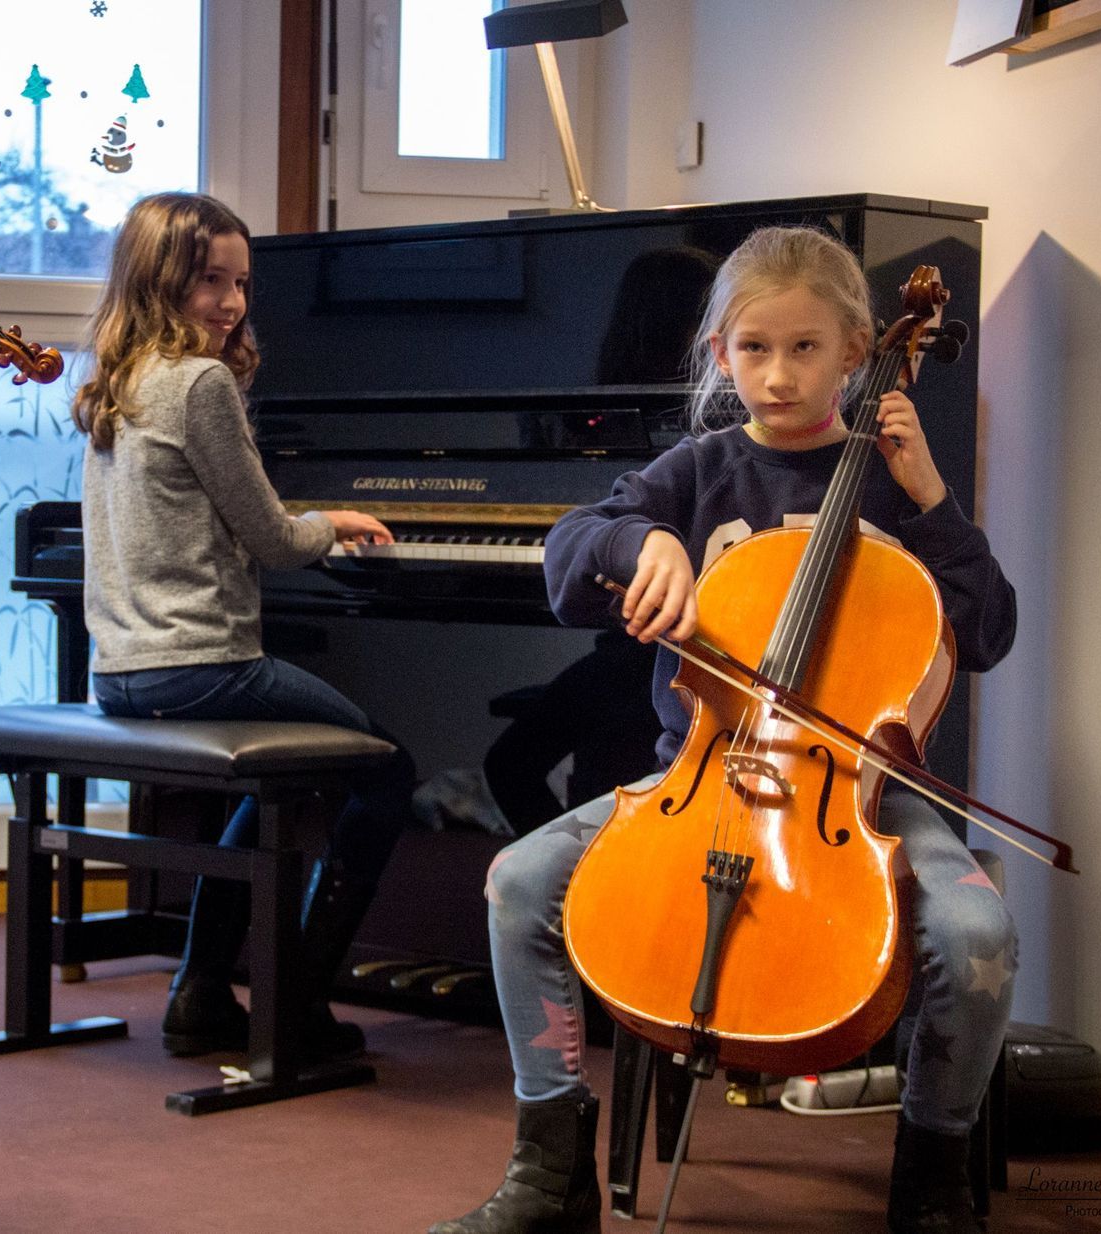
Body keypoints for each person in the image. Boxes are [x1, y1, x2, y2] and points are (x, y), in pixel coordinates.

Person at [430, 226, 1018, 1234]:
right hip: (694, 778)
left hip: (863, 796)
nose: (779, 375)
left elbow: (988, 630)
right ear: (719, 353)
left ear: (858, 349)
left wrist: (930, 498)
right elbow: (572, 557)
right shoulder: (697, 472)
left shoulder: (892, 484)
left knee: (978, 937)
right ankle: (548, 1167)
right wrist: (640, 535)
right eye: (754, 348)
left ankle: (931, 1174)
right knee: (517, 880)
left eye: (805, 349)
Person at [74, 192, 415, 1062]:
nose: (229, 303)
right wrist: (332, 521)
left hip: (120, 672)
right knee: (387, 772)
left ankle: (198, 992)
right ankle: (298, 1003)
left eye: (240, 284)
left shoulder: (120, 379)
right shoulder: (201, 383)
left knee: (286, 781)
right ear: (160, 281)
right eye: (209, 281)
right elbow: (273, 539)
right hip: (203, 664)